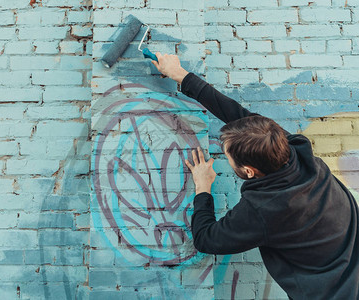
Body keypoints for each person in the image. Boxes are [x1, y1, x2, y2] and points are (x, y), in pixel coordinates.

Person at [152, 53, 359, 299]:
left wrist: (203, 188)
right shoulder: (296, 152)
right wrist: (182, 76)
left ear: (248, 172)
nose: (225, 157)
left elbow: (206, 239)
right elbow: (240, 116)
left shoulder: (263, 210)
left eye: (227, 156)